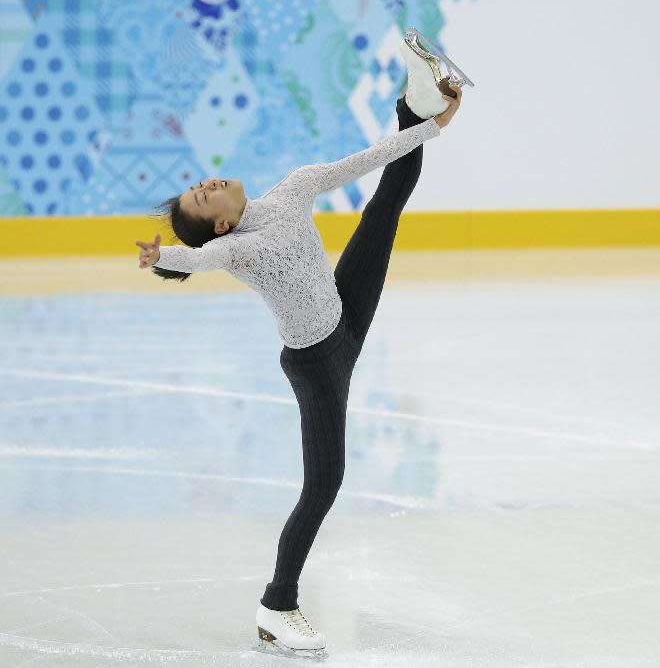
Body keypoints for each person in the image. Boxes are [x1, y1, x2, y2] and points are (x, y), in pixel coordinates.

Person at [135, 40, 464, 657]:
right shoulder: (237, 248)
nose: (208, 184)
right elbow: (200, 260)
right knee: (325, 482)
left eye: (199, 184)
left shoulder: (293, 188)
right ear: (223, 222)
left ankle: (410, 99)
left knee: (385, 206)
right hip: (317, 363)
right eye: (203, 199)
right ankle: (276, 604)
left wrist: (428, 124)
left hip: (345, 313)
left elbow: (369, 160)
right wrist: (165, 257)